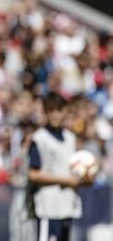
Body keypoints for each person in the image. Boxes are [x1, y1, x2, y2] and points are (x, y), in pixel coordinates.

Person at [27, 92, 92, 241]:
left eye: (59, 110)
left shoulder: (70, 138)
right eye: (51, 110)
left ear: (65, 111)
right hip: (49, 208)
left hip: (68, 206)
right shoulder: (40, 138)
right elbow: (33, 174)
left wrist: (85, 178)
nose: (56, 115)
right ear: (46, 112)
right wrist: (66, 181)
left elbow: (73, 171)